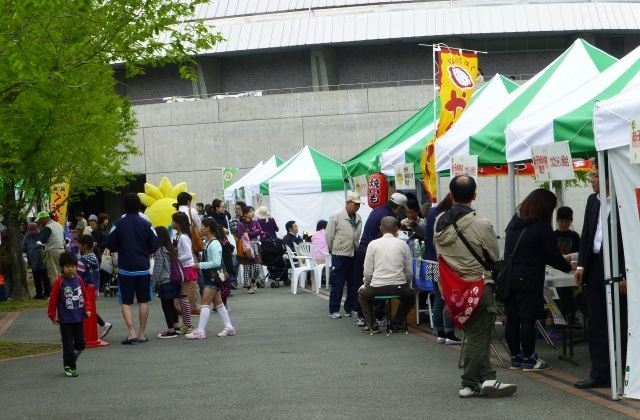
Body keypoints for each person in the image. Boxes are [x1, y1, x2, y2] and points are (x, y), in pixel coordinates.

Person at [434, 175, 517, 398]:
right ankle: (468, 383)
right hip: (477, 286)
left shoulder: (439, 222)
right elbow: (493, 254)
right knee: (479, 336)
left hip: (452, 289)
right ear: (474, 195)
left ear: (451, 195)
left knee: (474, 334)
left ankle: (487, 378)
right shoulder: (481, 224)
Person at [503, 189, 572, 372]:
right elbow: (551, 255)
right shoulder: (541, 226)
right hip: (529, 277)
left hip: (510, 276)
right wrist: (568, 266)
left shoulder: (514, 222)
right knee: (527, 318)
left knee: (512, 318)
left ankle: (515, 358)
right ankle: (530, 359)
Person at [574, 157, 627, 389]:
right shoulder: (592, 201)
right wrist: (581, 265)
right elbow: (586, 234)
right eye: (591, 176)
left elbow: (630, 240)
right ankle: (600, 374)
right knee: (596, 322)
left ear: (608, 177)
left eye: (595, 176)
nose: (591, 181)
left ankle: (625, 371)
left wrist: (626, 272)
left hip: (617, 266)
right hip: (594, 266)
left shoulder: (622, 200)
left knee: (621, 321)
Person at [106, 193, 160, 345]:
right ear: (139, 205)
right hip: (143, 267)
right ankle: (142, 334)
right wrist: (148, 252)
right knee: (143, 301)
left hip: (125, 268)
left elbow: (110, 243)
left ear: (124, 206)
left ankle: (131, 332)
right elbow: (155, 243)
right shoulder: (145, 223)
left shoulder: (118, 223)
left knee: (126, 302)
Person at [353, 192, 407, 326]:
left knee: (363, 284)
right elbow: (383, 237)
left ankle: (362, 316)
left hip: (362, 248)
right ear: (399, 208)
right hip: (371, 250)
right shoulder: (389, 216)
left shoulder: (378, 209)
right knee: (380, 281)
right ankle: (378, 316)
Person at [357, 216, 414, 334]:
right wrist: (407, 285)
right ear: (396, 229)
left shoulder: (372, 244)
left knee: (362, 295)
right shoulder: (403, 245)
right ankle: (397, 322)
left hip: (377, 288)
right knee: (410, 295)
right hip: (398, 287)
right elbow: (409, 272)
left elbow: (367, 272)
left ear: (381, 228)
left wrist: (367, 284)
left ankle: (372, 325)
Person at [188, 218, 236, 339]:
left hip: (212, 277)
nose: (200, 228)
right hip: (213, 276)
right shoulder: (210, 242)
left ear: (208, 228)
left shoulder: (213, 243)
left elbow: (215, 262)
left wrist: (200, 265)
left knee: (205, 303)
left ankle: (200, 331)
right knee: (218, 303)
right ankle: (229, 327)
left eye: (202, 226)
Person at [47, 252, 93, 377]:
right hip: (65, 319)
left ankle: (72, 357)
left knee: (81, 343)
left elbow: (85, 295)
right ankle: (69, 366)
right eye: (67, 266)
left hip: (78, 317)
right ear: (62, 267)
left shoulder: (78, 280)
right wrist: (52, 315)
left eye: (73, 266)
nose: (70, 269)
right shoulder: (59, 282)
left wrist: (87, 308)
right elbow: (53, 300)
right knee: (68, 346)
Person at [423, 193, 461, 345]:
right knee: (448, 298)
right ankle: (450, 333)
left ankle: (440, 333)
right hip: (442, 262)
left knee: (438, 297)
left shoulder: (432, 212)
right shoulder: (446, 216)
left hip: (429, 260)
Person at [325, 192, 362, 319]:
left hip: (354, 252)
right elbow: (329, 236)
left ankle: (349, 308)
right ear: (348, 203)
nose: (357, 207)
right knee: (338, 283)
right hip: (340, 253)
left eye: (358, 205)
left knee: (353, 283)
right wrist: (333, 249)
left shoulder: (358, 218)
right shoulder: (336, 216)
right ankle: (334, 309)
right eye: (355, 204)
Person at [152, 226, 182, 338]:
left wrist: (152, 282)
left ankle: (170, 331)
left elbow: (158, 268)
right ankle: (176, 327)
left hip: (165, 281)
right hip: (174, 280)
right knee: (172, 305)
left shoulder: (160, 250)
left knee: (166, 306)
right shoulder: (171, 248)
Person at [172, 212, 199, 322]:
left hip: (187, 268)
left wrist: (177, 258)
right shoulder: (177, 235)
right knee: (182, 295)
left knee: (185, 296)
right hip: (183, 267)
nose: (171, 223)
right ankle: (184, 318)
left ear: (178, 223)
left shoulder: (183, 237)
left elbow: (188, 255)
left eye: (173, 220)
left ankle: (186, 321)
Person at [236, 206, 264, 294]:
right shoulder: (241, 224)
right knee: (246, 267)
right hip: (245, 247)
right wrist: (252, 232)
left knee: (257, 267)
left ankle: (253, 280)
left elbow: (259, 231)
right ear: (245, 214)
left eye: (253, 211)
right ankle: (248, 286)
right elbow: (240, 235)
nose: (252, 213)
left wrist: (248, 233)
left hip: (255, 246)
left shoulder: (255, 222)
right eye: (250, 211)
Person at [35, 211, 66, 287]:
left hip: (52, 251)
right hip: (62, 250)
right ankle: (63, 291)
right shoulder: (59, 225)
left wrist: (40, 232)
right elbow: (64, 239)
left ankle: (56, 294)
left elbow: (42, 241)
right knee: (61, 273)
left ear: (44, 218)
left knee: (53, 274)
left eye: (40, 220)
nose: (39, 222)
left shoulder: (48, 227)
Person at [22, 222, 50, 299]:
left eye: (34, 229)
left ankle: (47, 293)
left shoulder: (41, 235)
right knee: (37, 278)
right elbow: (22, 247)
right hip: (33, 260)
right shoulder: (27, 237)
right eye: (31, 230)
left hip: (42, 260)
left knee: (45, 278)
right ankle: (39, 293)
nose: (33, 232)